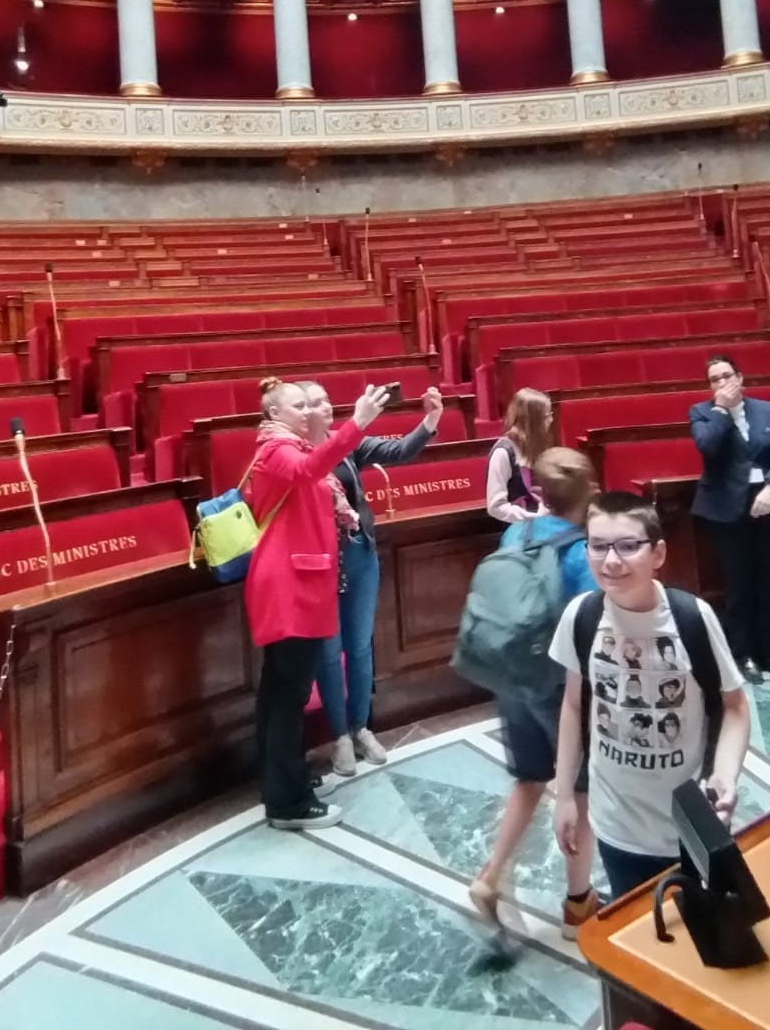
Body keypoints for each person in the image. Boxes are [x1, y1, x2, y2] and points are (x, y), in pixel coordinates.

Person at [550, 492, 750, 899]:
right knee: (638, 926)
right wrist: (565, 795)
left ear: (658, 553)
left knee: (701, 934)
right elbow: (574, 706)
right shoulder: (581, 617)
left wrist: (725, 774)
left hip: (689, 821)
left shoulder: (692, 618)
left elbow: (735, 706)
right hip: (615, 824)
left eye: (627, 546)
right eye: (599, 546)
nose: (611, 561)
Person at [243, 376, 392, 831]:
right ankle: (288, 804)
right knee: (287, 697)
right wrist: (357, 425)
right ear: (274, 415)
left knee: (279, 694)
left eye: (311, 405)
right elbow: (309, 472)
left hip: (296, 584)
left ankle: (283, 782)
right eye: (298, 407)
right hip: (289, 588)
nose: (308, 412)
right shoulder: (276, 451)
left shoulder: (294, 450)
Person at [469, 447, 600, 940]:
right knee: (579, 794)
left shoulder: (515, 531)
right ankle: (579, 904)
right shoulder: (582, 550)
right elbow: (594, 624)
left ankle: (491, 876)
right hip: (558, 689)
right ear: (588, 490)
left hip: (513, 677)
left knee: (528, 781)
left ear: (540, 491)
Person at [303, 380, 445, 777]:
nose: (326, 406)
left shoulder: (346, 444)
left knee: (361, 644)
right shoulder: (296, 454)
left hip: (359, 554)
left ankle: (362, 727)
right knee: (329, 654)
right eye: (315, 403)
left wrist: (430, 420)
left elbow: (398, 450)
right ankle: (340, 737)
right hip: (319, 564)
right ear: (299, 412)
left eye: (328, 399)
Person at [690, 353, 770, 684]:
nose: (722, 383)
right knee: (738, 586)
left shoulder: (767, 409)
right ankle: (744, 654)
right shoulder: (702, 413)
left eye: (727, 376)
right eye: (715, 379)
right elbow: (707, 447)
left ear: (741, 377)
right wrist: (723, 410)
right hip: (727, 511)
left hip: (769, 506)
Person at [487, 388, 551, 524]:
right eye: (547, 415)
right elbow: (495, 507)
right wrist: (532, 517)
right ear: (533, 421)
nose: (551, 420)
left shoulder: (537, 446)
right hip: (518, 530)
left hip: (542, 523)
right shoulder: (503, 453)